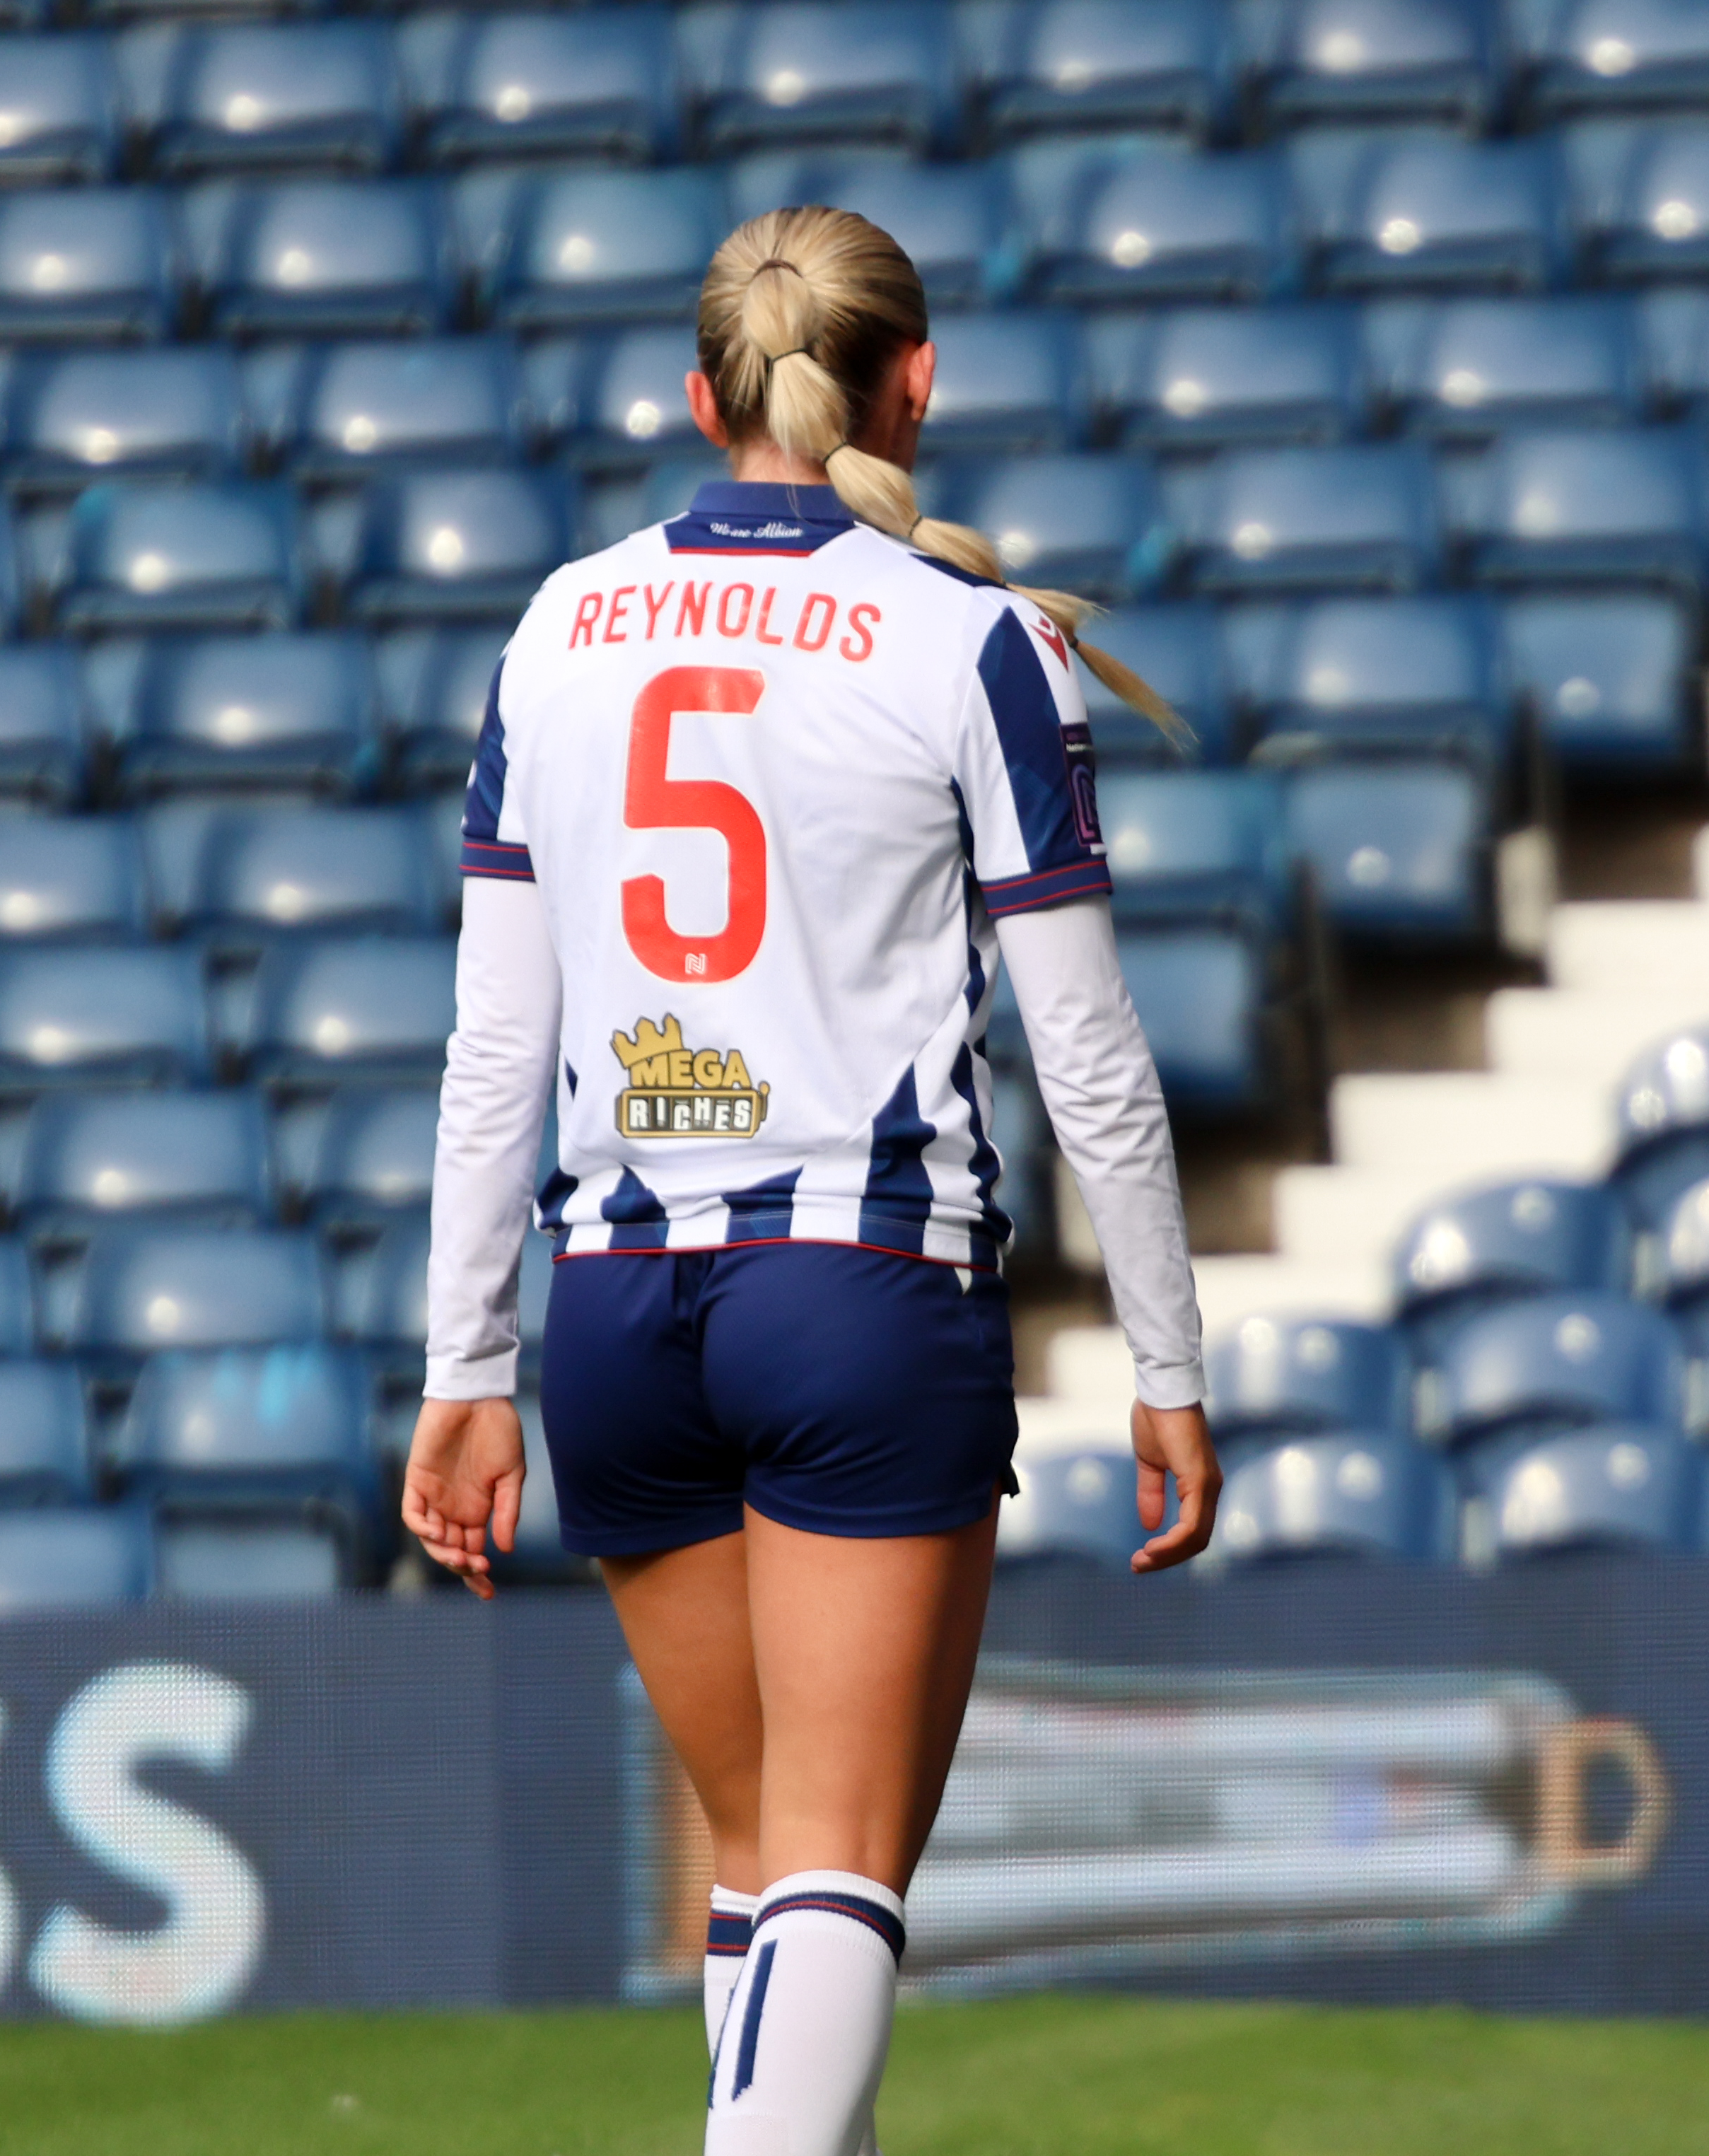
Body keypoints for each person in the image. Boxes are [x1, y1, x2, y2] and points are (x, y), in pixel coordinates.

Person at [402, 202, 1220, 2156]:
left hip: (611, 1306)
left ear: (701, 398)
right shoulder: (976, 641)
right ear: (915, 383)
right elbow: (1086, 1052)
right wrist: (1171, 1356)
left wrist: (464, 1362)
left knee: (766, 1867)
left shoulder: (557, 627)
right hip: (859, 1288)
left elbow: (495, 1050)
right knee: (843, 1867)